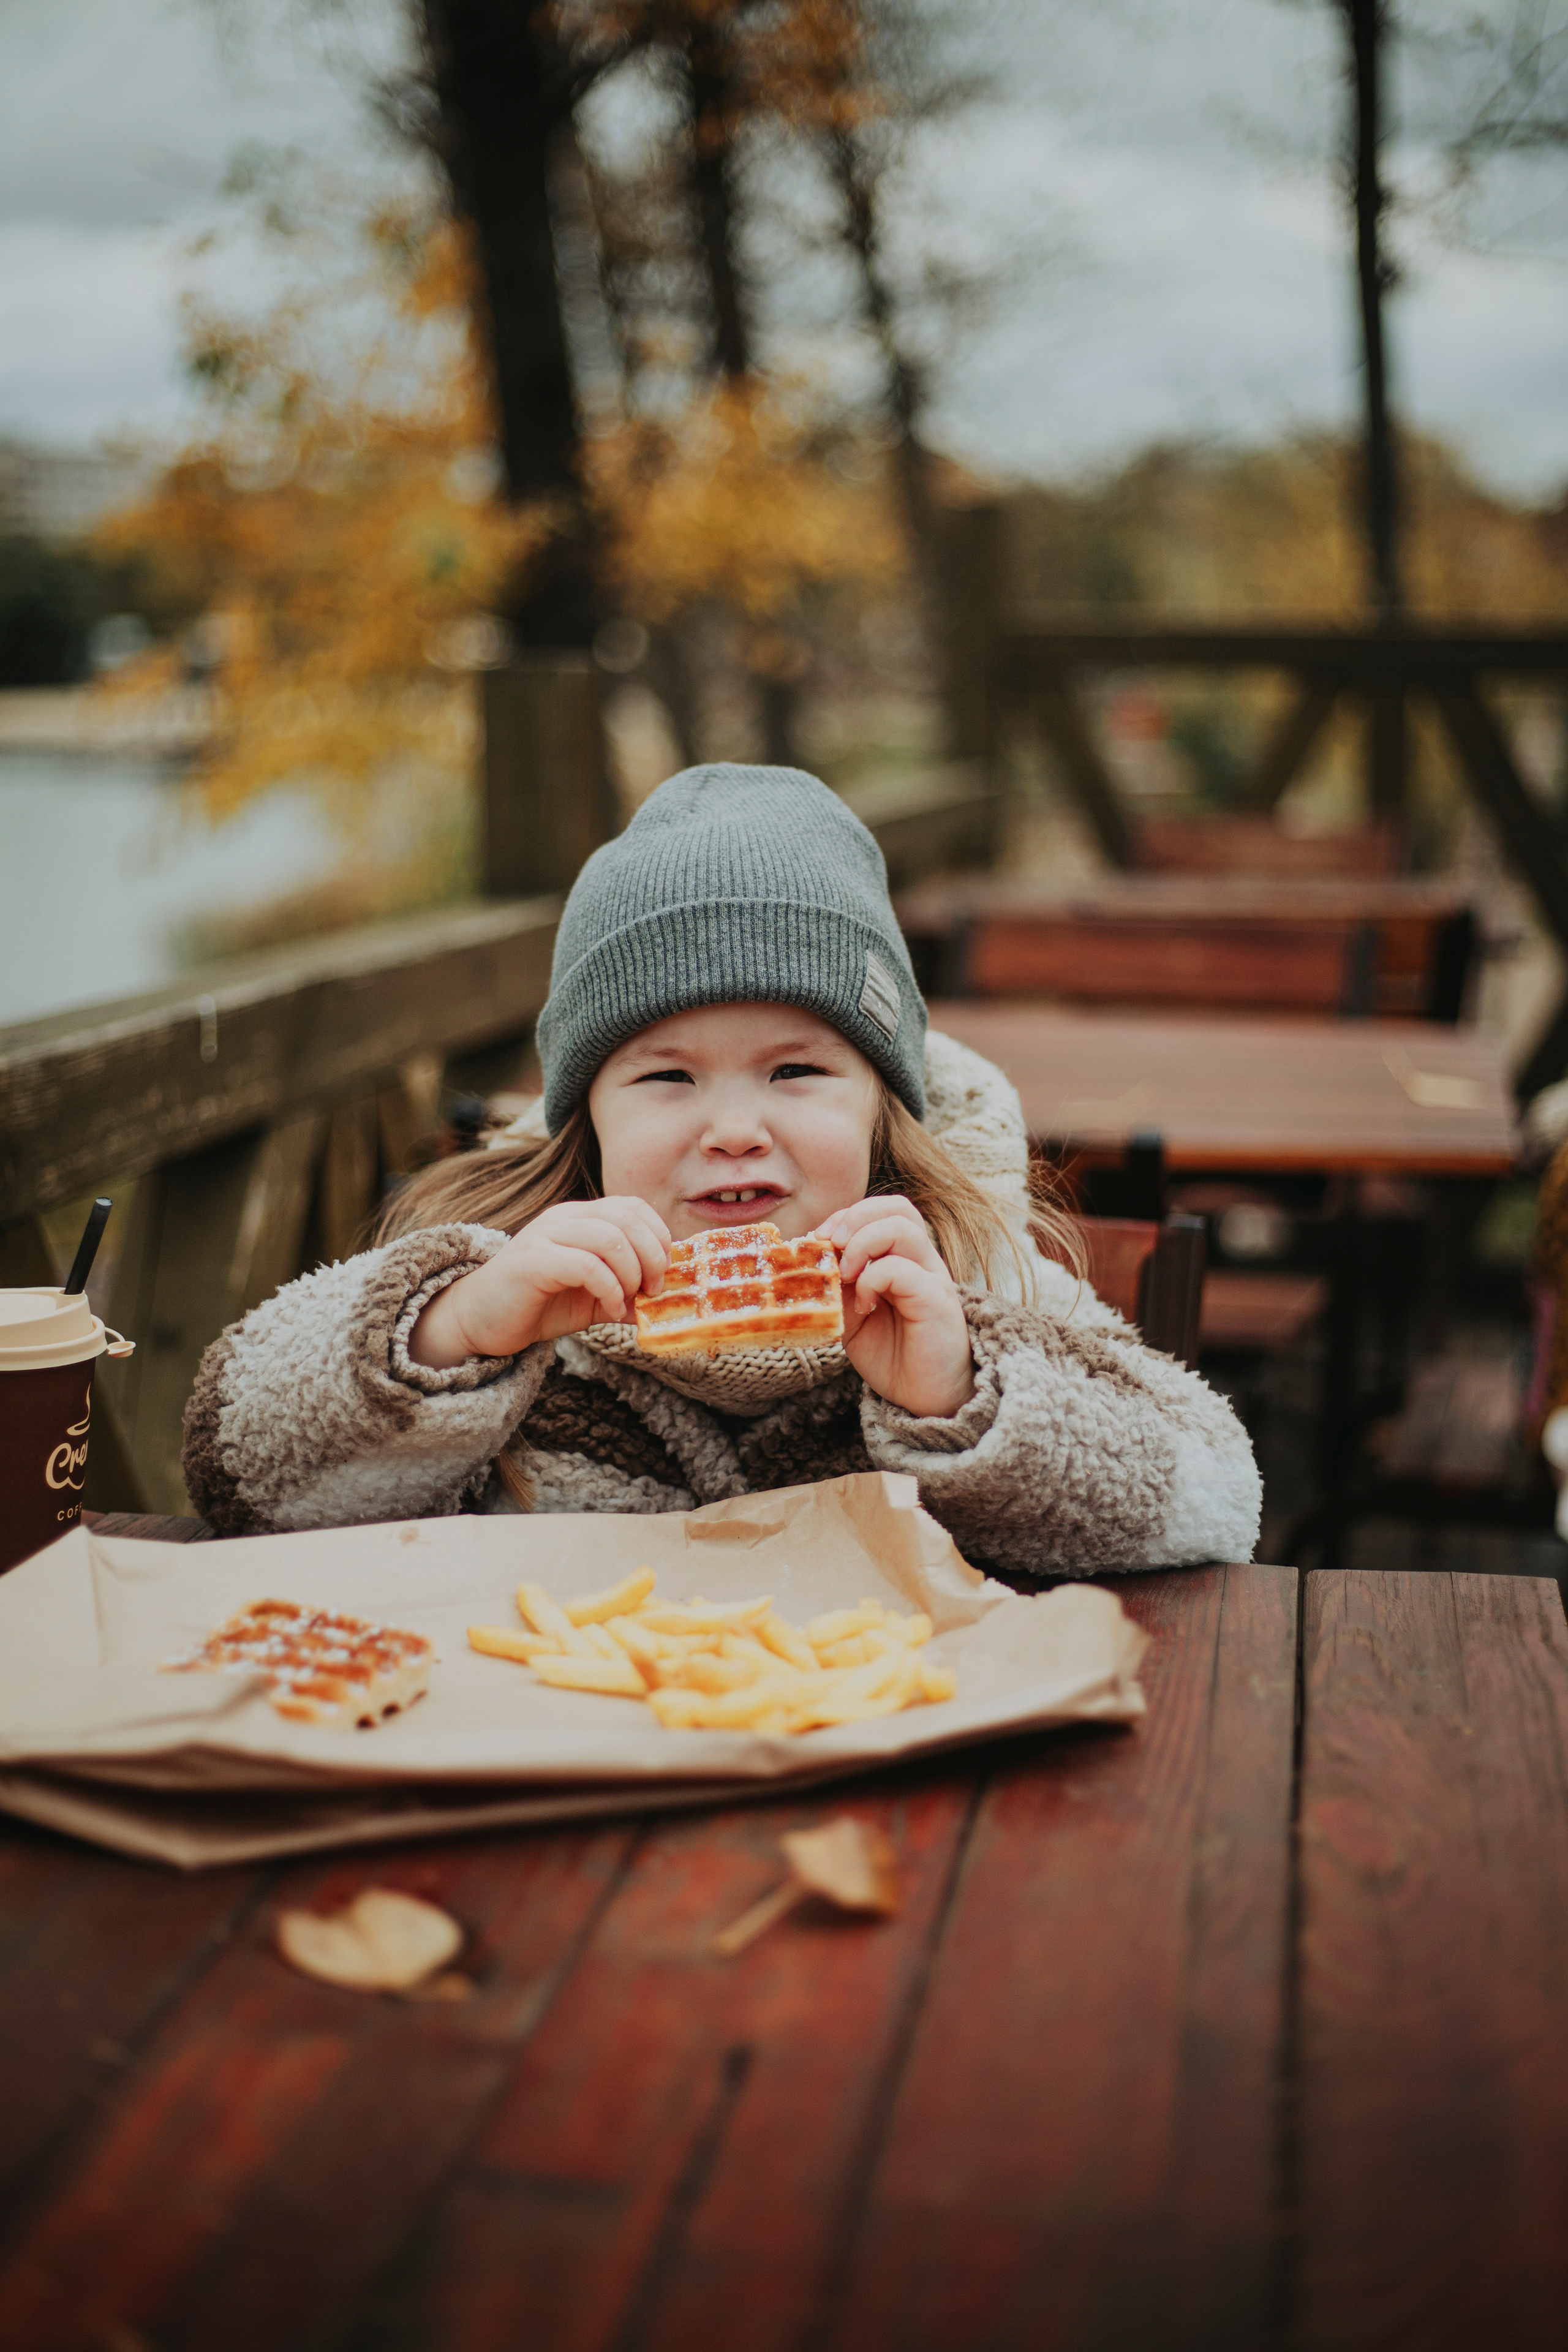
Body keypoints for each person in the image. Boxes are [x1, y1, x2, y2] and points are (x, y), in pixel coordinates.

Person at [183, 765, 1261, 1576]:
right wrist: (452, 1332)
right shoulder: (514, 1290)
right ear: (586, 1123)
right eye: (667, 1079)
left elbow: (1218, 1498)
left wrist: (962, 1397)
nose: (735, 1128)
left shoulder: (974, 1275)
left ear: (882, 1106)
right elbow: (235, 1474)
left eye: (796, 1070)